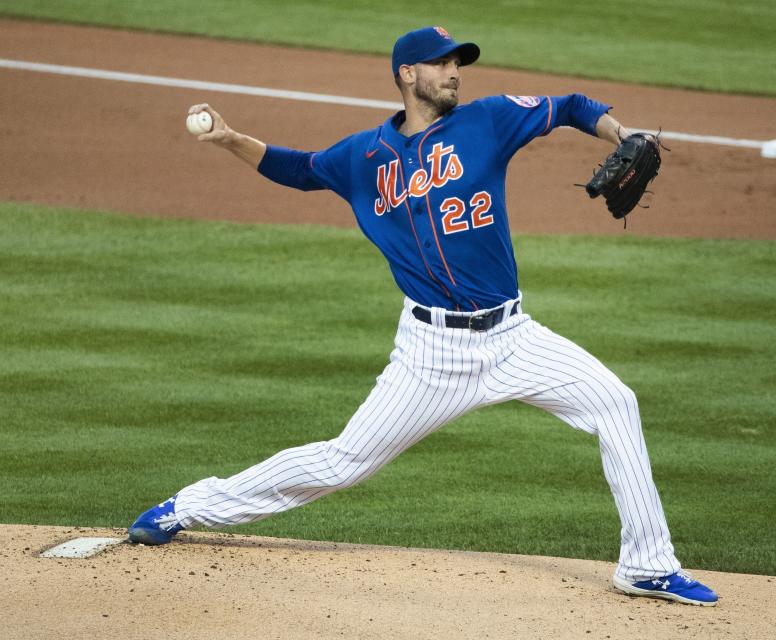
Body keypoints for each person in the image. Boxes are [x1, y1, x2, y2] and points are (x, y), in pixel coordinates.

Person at [128, 26, 718, 607]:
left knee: (616, 403)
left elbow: (570, 106)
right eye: (440, 63)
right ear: (407, 74)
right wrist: (230, 137)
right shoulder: (363, 156)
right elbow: (299, 168)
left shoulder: (487, 120)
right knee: (343, 462)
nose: (454, 72)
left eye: (458, 62)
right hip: (430, 357)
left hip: (514, 338)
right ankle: (189, 506)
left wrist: (623, 132)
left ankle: (647, 566)